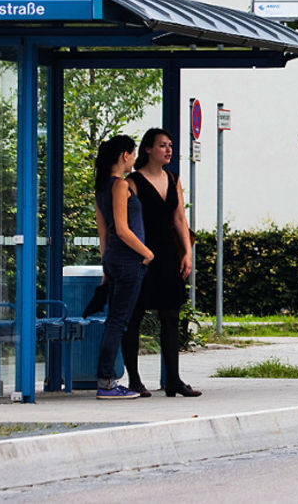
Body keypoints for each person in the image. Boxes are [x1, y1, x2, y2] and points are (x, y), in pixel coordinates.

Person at [122, 128, 200, 398]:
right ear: (148, 149)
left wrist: (187, 252)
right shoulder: (133, 181)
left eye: (170, 145)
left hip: (167, 253)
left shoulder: (173, 178)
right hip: (142, 253)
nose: (168, 150)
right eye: (162, 145)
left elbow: (179, 218)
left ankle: (173, 380)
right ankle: (134, 380)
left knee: (170, 315)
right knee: (135, 315)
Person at [93, 135, 154, 400]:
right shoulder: (120, 185)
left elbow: (103, 233)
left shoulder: (101, 188)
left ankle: (106, 380)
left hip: (114, 260)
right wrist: (148, 253)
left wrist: (106, 266)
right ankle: (106, 382)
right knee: (118, 322)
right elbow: (121, 229)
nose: (134, 159)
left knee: (114, 321)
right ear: (124, 155)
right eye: (133, 153)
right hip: (128, 260)